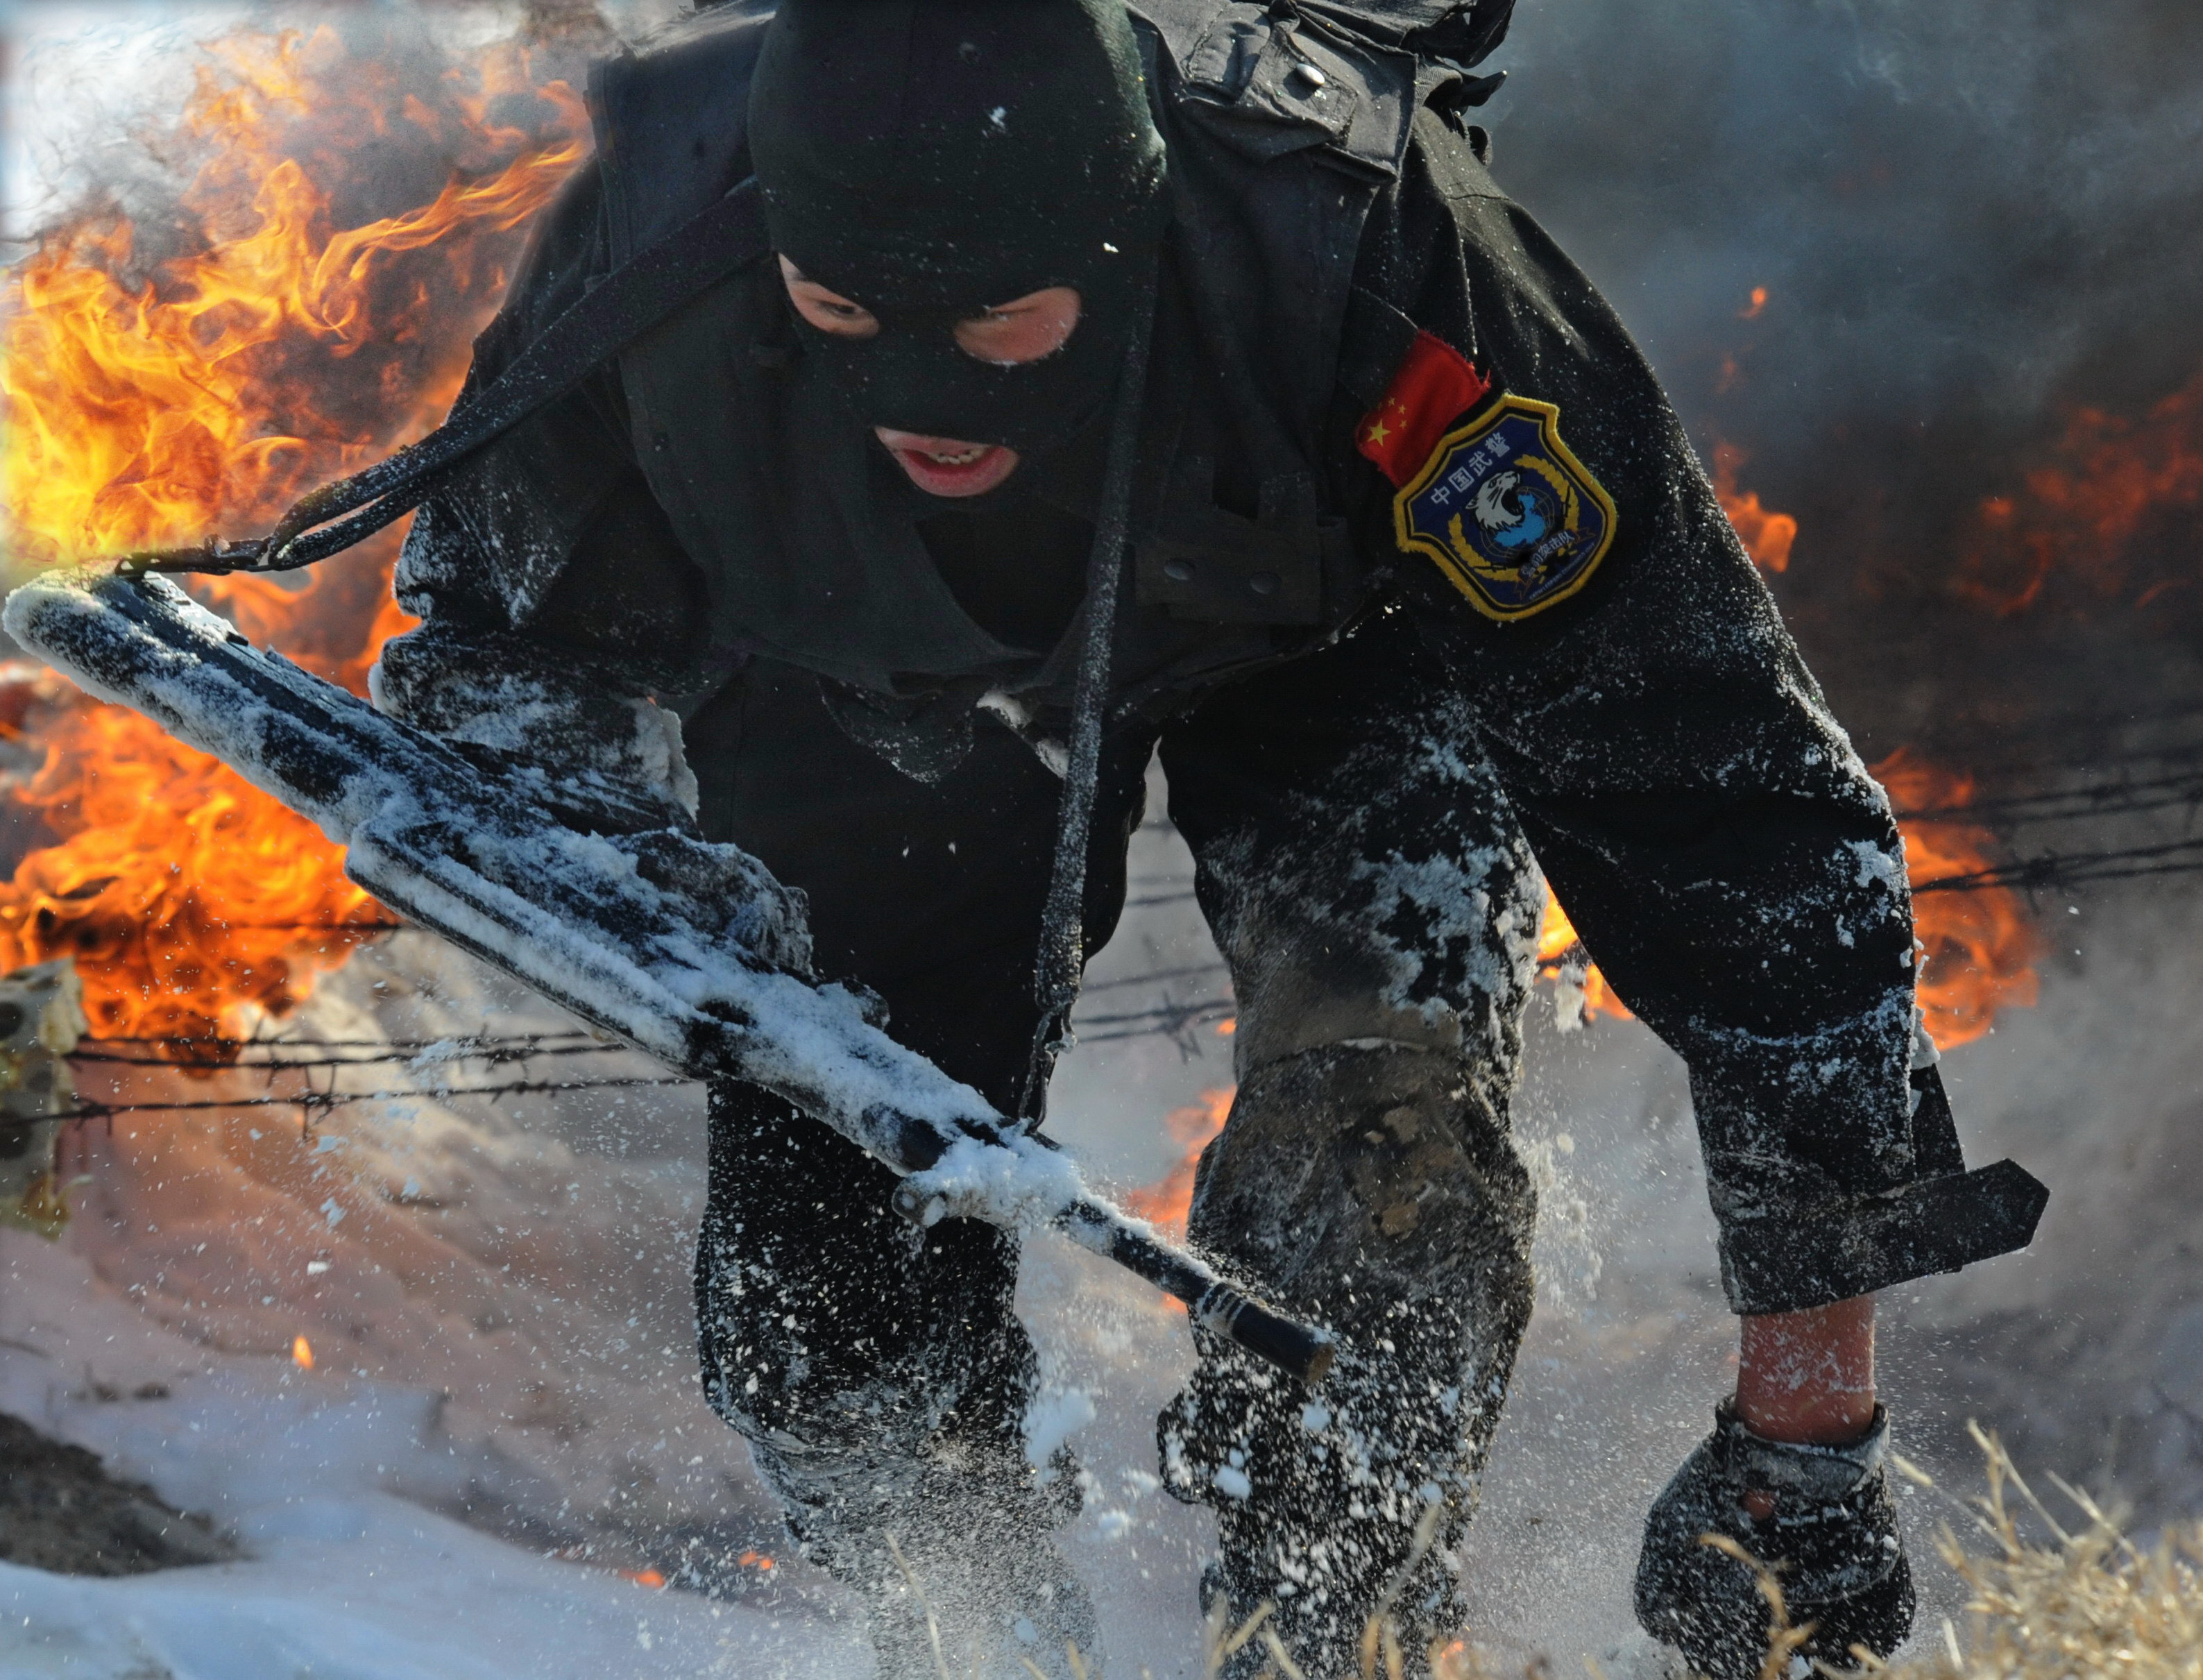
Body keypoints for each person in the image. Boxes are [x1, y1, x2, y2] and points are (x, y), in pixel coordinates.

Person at [377, 1, 2045, 1674]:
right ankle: (965, 1637)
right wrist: (608, 852)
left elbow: (1740, 819)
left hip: (1339, 632)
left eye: (989, 319)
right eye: (843, 310)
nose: (916, 385)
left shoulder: (1381, 270)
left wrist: (1805, 1438)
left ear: (1118, 234)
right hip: (887, 684)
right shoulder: (657, 225)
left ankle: (1335, 1634)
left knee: (1388, 1166)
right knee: (827, 1286)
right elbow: (495, 634)